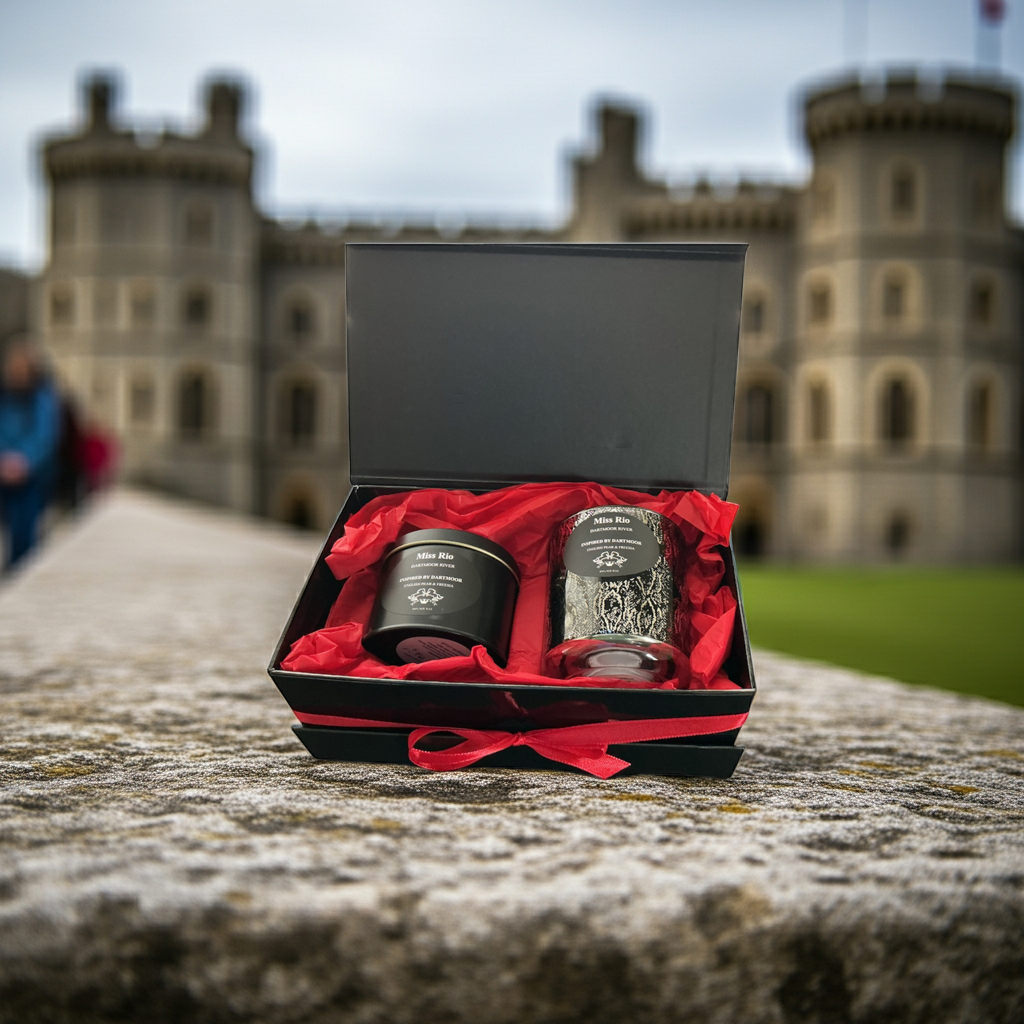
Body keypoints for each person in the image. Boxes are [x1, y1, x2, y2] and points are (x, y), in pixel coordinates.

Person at [0, 338, 60, 570]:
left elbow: (44, 437)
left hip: (32, 474)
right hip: (5, 471)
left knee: (25, 529)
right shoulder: (4, 396)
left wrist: (24, 461)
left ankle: (23, 568)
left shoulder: (42, 397)